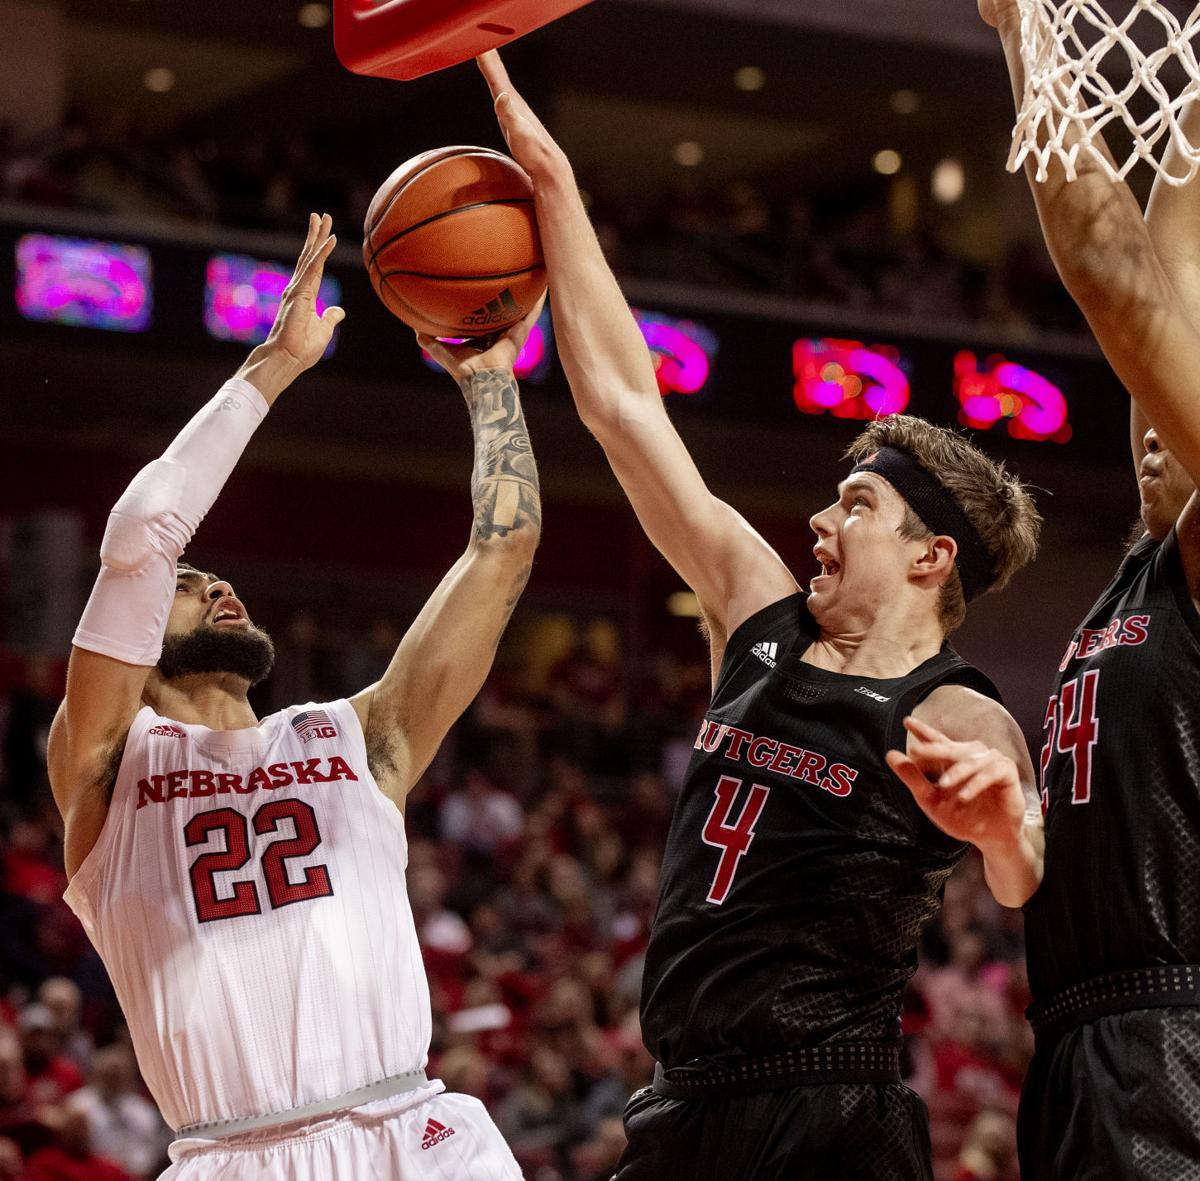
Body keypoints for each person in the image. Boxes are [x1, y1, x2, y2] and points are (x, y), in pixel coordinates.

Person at [476, 51, 1045, 1180]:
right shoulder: (763, 617)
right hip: (682, 1100)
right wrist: (553, 183)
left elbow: (1025, 867)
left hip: (827, 1111)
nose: (822, 521)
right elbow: (624, 405)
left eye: (858, 505)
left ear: (931, 555)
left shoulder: (956, 710)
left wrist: (999, 829)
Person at [46, 212, 540, 1179]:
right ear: (140, 641)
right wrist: (273, 365)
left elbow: (503, 549)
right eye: (194, 584)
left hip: (415, 1131)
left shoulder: (358, 734)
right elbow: (145, 531)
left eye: (220, 578)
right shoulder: (107, 766)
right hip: (234, 1155)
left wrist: (489, 382)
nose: (218, 585)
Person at [973, 1, 1200, 1176]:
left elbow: (1122, 283)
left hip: (1180, 1044)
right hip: (1090, 1042)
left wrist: (1027, 36)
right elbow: (1173, 275)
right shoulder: (1137, 581)